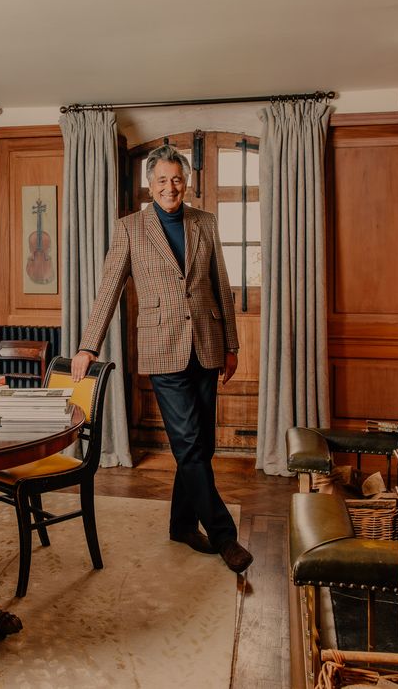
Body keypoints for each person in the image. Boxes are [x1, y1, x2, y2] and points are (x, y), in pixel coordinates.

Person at [71, 144, 251, 573]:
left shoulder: (204, 223)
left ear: (185, 182)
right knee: (189, 445)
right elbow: (108, 291)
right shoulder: (130, 228)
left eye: (177, 179)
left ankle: (182, 524)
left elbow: (221, 286)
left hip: (206, 345)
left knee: (200, 446)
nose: (170, 187)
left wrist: (232, 344)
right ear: (149, 185)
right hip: (162, 346)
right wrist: (87, 345)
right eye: (162, 180)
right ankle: (226, 537)